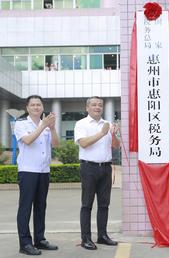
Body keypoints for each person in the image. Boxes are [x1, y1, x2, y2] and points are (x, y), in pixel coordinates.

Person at [14, 95, 59, 255]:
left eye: (38, 105)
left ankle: (39, 239)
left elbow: (56, 144)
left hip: (43, 171)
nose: (36, 107)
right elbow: (28, 141)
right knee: (25, 207)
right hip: (27, 171)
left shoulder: (46, 124)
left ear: (42, 107)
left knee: (41, 206)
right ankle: (25, 243)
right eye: (32, 105)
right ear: (27, 108)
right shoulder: (21, 124)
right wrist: (43, 126)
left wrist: (52, 128)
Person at [74, 96, 120, 250]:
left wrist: (113, 134)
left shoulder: (107, 124)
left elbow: (116, 146)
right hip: (89, 168)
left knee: (104, 204)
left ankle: (102, 235)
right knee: (86, 205)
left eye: (100, 105)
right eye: (94, 104)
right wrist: (101, 133)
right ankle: (85, 238)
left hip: (105, 168)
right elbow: (84, 143)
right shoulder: (81, 124)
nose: (97, 107)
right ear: (87, 108)